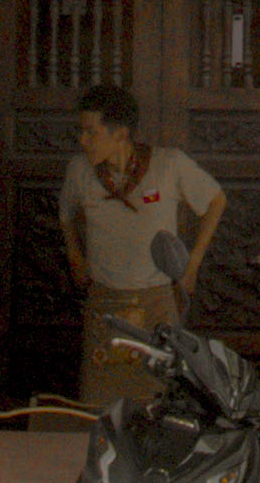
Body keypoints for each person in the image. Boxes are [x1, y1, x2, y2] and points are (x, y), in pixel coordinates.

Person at [55, 87, 222, 412]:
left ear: (120, 133)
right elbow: (65, 214)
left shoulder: (168, 165)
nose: (82, 141)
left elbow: (216, 200)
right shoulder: (79, 171)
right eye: (81, 132)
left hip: (157, 304)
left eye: (91, 132)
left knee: (157, 405)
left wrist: (192, 265)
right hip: (104, 304)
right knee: (99, 410)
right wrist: (75, 254)